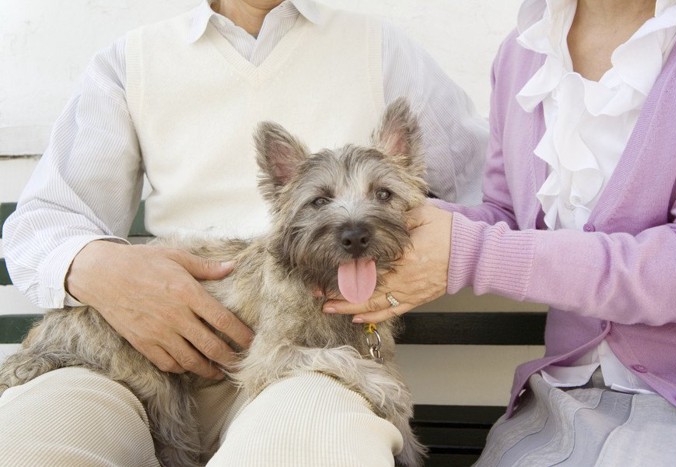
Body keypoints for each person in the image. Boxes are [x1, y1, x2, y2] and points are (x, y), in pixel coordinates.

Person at [0, 0, 488, 465]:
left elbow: (486, 195)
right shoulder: (130, 61)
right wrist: (103, 269)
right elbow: (44, 221)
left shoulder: (381, 47)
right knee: (33, 446)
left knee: (309, 444)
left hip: (314, 360)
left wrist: (428, 251)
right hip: (130, 354)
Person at [326, 0, 676, 464]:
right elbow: (507, 216)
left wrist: (471, 254)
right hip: (561, 401)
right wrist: (400, 225)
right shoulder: (523, 52)